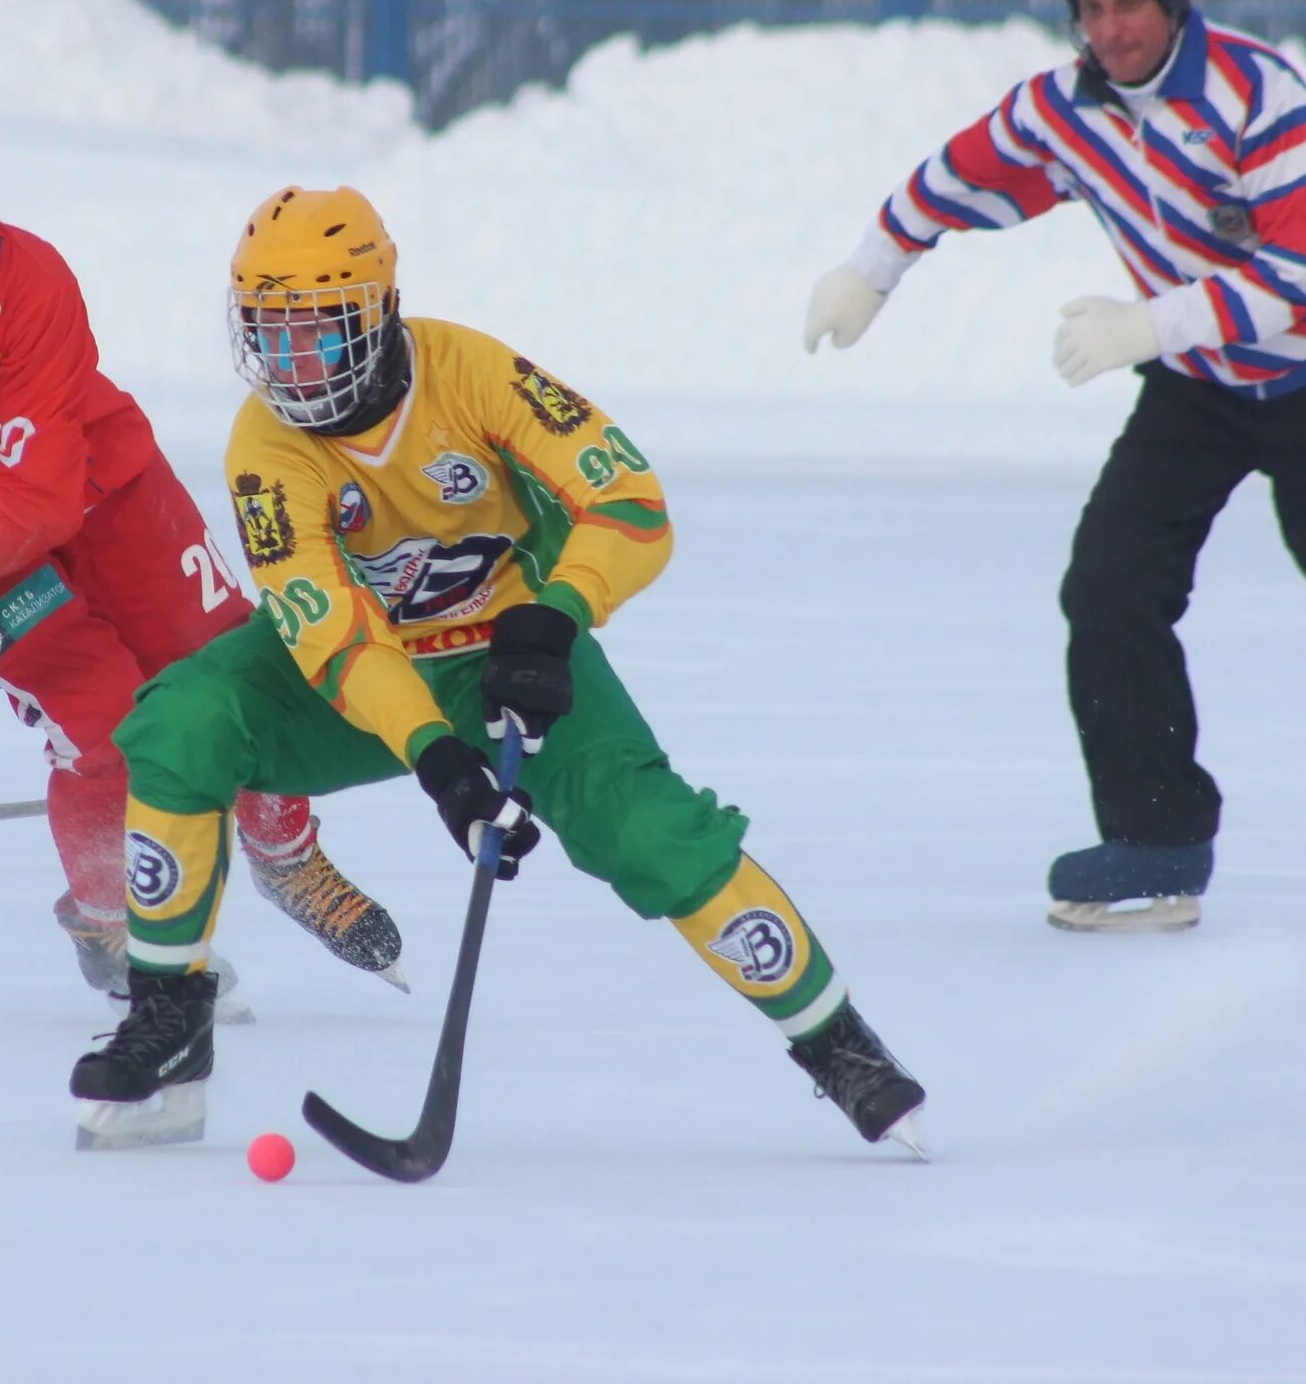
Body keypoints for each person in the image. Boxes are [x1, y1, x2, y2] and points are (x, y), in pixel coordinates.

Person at [66, 185, 926, 1154]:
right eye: (270, 333)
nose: (292, 365)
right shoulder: (265, 449)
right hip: (363, 680)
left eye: (321, 332)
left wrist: (553, 618)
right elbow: (331, 633)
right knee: (183, 720)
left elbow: (632, 502)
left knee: (649, 834)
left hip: (519, 658)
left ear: (380, 310)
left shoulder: (471, 372)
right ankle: (169, 1018)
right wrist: (439, 760)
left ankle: (836, 1042)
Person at [803, 0, 1306, 932]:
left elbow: (1297, 273)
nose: (1111, 29)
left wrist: (1146, 324)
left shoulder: (1262, 97)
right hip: (1197, 388)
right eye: (1092, 8)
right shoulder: (1062, 111)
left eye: (1130, 5)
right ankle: (1158, 836)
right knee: (1107, 586)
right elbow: (956, 175)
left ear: (1174, 0)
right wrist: (869, 271)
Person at [0, 98, 404, 1000]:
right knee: (102, 728)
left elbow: (38, 487)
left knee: (235, 668)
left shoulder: (31, 278)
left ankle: (287, 852)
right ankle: (112, 925)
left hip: (102, 490)